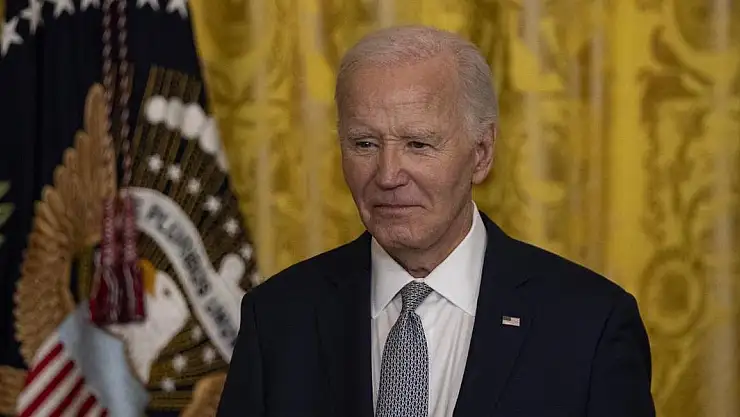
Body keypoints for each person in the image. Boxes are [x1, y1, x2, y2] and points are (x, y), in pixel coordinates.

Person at [216, 25, 655, 417]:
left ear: (481, 154)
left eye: (418, 144)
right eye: (365, 144)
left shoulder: (589, 325)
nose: (388, 175)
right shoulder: (276, 318)